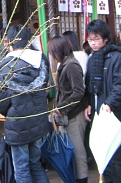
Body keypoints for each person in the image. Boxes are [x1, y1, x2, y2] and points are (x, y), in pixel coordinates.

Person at [0, 24, 50, 183]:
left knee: (21, 167)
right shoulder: (40, 60)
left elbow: (2, 102)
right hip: (38, 120)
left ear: (10, 42)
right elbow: (45, 87)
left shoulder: (5, 65)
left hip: (18, 124)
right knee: (35, 163)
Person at [84, 19, 121, 183]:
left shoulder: (117, 57)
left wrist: (109, 104)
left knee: (116, 156)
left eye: (96, 39)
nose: (93, 43)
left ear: (106, 38)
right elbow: (90, 86)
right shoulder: (92, 59)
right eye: (90, 39)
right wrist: (89, 104)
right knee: (102, 154)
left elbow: (120, 84)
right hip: (100, 113)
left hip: (115, 113)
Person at [48, 35, 88, 183]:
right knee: (72, 151)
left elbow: (78, 91)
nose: (51, 56)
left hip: (74, 115)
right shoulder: (65, 63)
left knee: (78, 153)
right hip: (68, 114)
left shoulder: (71, 65)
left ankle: (81, 179)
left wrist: (62, 108)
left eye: (52, 52)